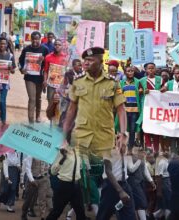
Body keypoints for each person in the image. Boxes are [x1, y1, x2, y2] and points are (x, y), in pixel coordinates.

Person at [62, 46, 130, 220]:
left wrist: (123, 134)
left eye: (91, 60)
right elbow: (71, 110)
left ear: (101, 62)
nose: (86, 63)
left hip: (105, 138)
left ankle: (98, 207)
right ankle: (85, 208)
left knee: (105, 174)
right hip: (82, 136)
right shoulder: (78, 82)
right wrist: (64, 137)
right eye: (85, 60)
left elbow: (121, 110)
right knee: (82, 173)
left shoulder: (113, 83)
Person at [46, 147, 86, 220]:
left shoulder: (78, 151)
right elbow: (53, 171)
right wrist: (63, 159)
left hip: (76, 186)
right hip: (64, 186)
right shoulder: (61, 152)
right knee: (57, 211)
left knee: (81, 212)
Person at [19, 31, 49, 123]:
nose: (35, 41)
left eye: (37, 39)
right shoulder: (26, 49)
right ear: (30, 39)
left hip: (39, 77)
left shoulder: (45, 49)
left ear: (40, 39)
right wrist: (21, 69)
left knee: (38, 97)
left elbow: (48, 64)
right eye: (33, 39)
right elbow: (20, 61)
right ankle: (31, 119)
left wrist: (44, 59)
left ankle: (38, 115)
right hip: (29, 77)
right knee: (32, 98)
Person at [161, 66, 179, 154]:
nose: (178, 75)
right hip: (172, 112)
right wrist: (162, 90)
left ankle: (178, 148)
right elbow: (162, 91)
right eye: (176, 73)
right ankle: (173, 150)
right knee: (172, 131)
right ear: (173, 74)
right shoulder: (168, 83)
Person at [138, 62, 165, 153]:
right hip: (146, 108)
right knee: (146, 127)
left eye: (153, 68)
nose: (151, 70)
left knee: (156, 128)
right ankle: (149, 146)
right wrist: (141, 91)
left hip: (157, 108)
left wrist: (162, 90)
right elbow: (139, 91)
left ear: (155, 69)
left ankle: (156, 148)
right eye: (149, 68)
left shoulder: (160, 79)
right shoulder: (141, 80)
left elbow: (164, 89)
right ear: (145, 70)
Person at [115, 65, 141, 150]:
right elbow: (118, 94)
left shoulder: (138, 82)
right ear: (125, 72)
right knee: (122, 130)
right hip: (124, 111)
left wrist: (141, 91)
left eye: (132, 71)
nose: (130, 72)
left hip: (134, 110)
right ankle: (122, 146)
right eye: (128, 71)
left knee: (132, 130)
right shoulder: (121, 82)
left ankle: (130, 148)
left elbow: (141, 92)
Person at [127, 148, 155, 220]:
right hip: (133, 183)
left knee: (138, 203)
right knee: (141, 202)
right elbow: (131, 169)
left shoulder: (142, 158)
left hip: (140, 183)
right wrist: (139, 159)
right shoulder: (129, 157)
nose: (141, 152)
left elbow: (145, 170)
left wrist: (151, 181)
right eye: (138, 149)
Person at [21, 156, 52, 220]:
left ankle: (42, 216)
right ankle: (24, 213)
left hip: (43, 179)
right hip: (33, 179)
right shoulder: (31, 155)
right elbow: (28, 168)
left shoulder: (46, 154)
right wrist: (32, 180)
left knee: (42, 198)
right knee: (29, 199)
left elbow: (48, 166)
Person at [43, 39, 67, 121]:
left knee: (60, 105)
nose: (57, 46)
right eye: (56, 44)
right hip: (51, 85)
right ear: (54, 45)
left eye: (59, 45)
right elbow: (46, 71)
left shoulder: (66, 58)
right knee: (51, 103)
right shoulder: (48, 57)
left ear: (62, 46)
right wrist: (45, 80)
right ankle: (51, 123)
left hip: (62, 86)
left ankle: (58, 123)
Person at [153, 150, 171, 219]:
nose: (167, 152)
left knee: (165, 205)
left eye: (167, 151)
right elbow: (159, 177)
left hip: (167, 182)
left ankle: (153, 216)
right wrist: (159, 191)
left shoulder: (166, 161)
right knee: (167, 204)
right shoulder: (162, 162)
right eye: (165, 151)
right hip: (165, 183)